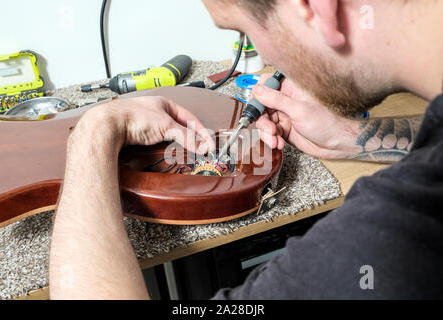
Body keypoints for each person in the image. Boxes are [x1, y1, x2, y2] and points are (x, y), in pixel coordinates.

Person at [49, 0, 443, 299]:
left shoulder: (388, 241)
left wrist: (96, 129)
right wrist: (351, 135)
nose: (266, 60)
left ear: (314, 7)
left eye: (247, 34)